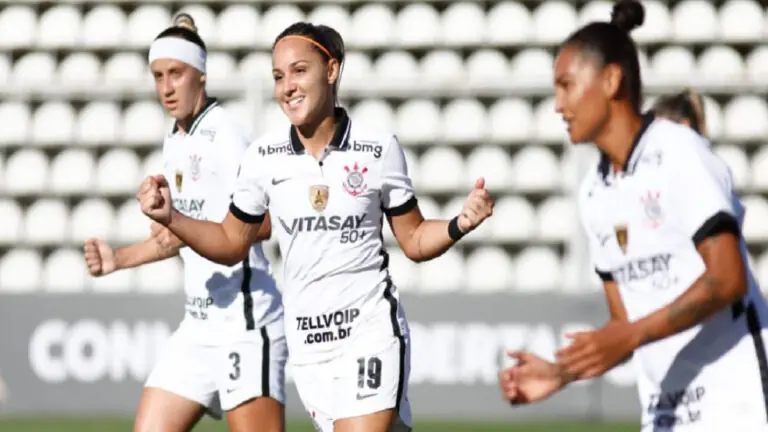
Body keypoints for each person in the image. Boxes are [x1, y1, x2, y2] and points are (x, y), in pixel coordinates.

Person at [135, 21, 494, 432]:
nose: (287, 86)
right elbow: (231, 242)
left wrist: (458, 224)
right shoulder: (263, 157)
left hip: (369, 333)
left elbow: (413, 239)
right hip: (309, 351)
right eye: (278, 76)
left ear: (332, 70)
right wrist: (171, 217)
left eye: (299, 71)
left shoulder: (378, 149)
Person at [498, 1, 768, 431]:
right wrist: (561, 372)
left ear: (611, 80)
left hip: (736, 405)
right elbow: (624, 326)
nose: (558, 105)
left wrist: (632, 334)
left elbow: (727, 278)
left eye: (567, 86)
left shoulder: (678, 152)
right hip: (666, 412)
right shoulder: (594, 192)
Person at [83, 14, 287, 432]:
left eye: (176, 73)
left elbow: (269, 219)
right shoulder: (175, 139)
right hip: (197, 326)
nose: (166, 87)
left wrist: (200, 225)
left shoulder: (226, 135)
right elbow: (184, 234)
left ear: (201, 74)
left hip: (244, 322)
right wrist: (118, 259)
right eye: (158, 76)